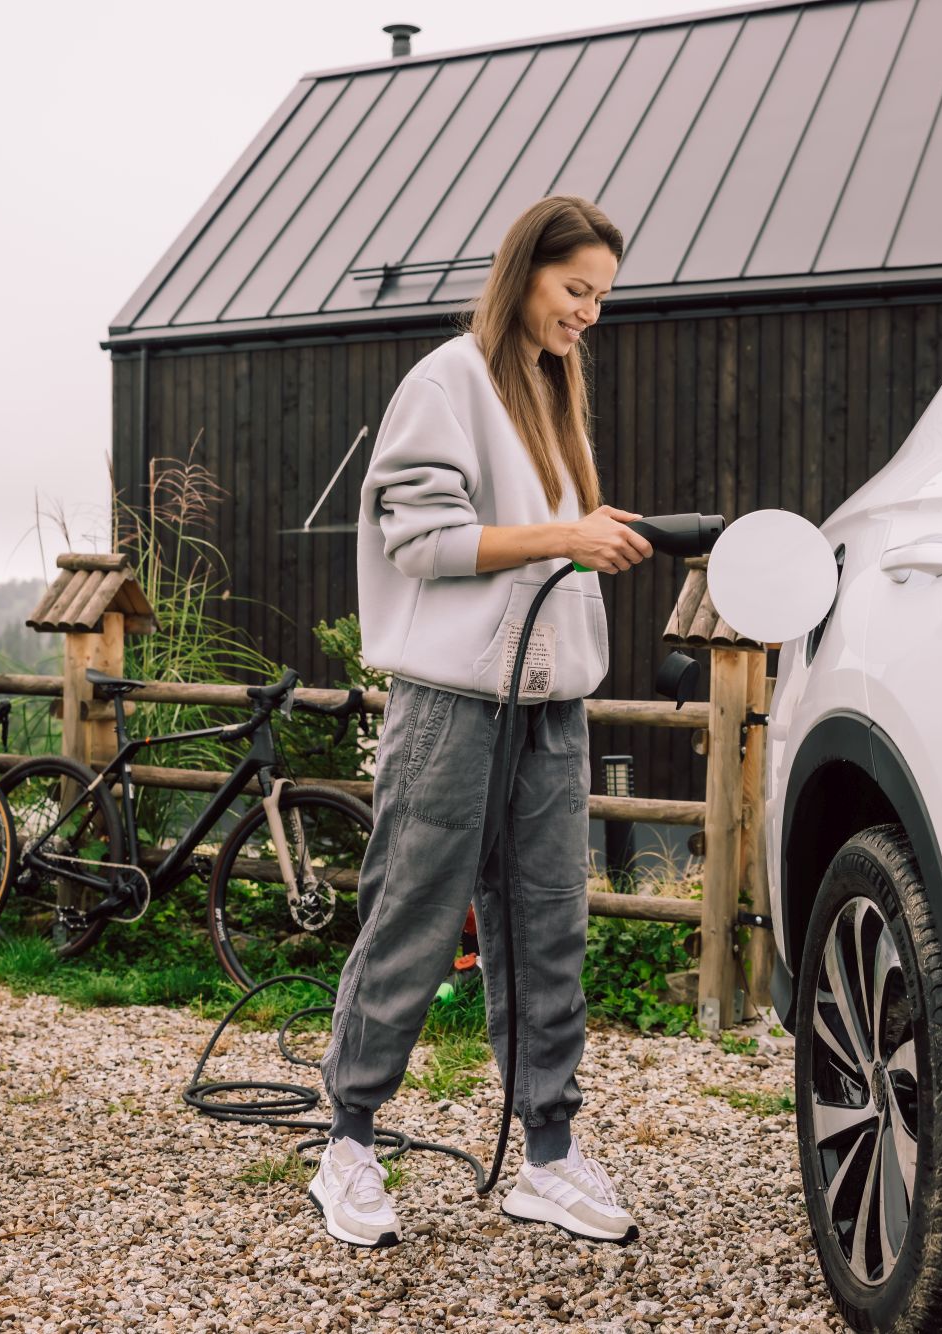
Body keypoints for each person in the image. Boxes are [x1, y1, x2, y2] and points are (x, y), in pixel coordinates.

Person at [311, 196, 653, 1249]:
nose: (588, 313)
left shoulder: (553, 395)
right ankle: (350, 1144)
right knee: (413, 910)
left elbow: (542, 542)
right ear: (523, 274)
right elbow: (422, 540)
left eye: (600, 296)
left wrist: (585, 537)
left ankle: (547, 1154)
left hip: (550, 701)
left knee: (550, 924)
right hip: (453, 701)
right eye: (573, 290)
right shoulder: (446, 381)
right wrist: (563, 533)